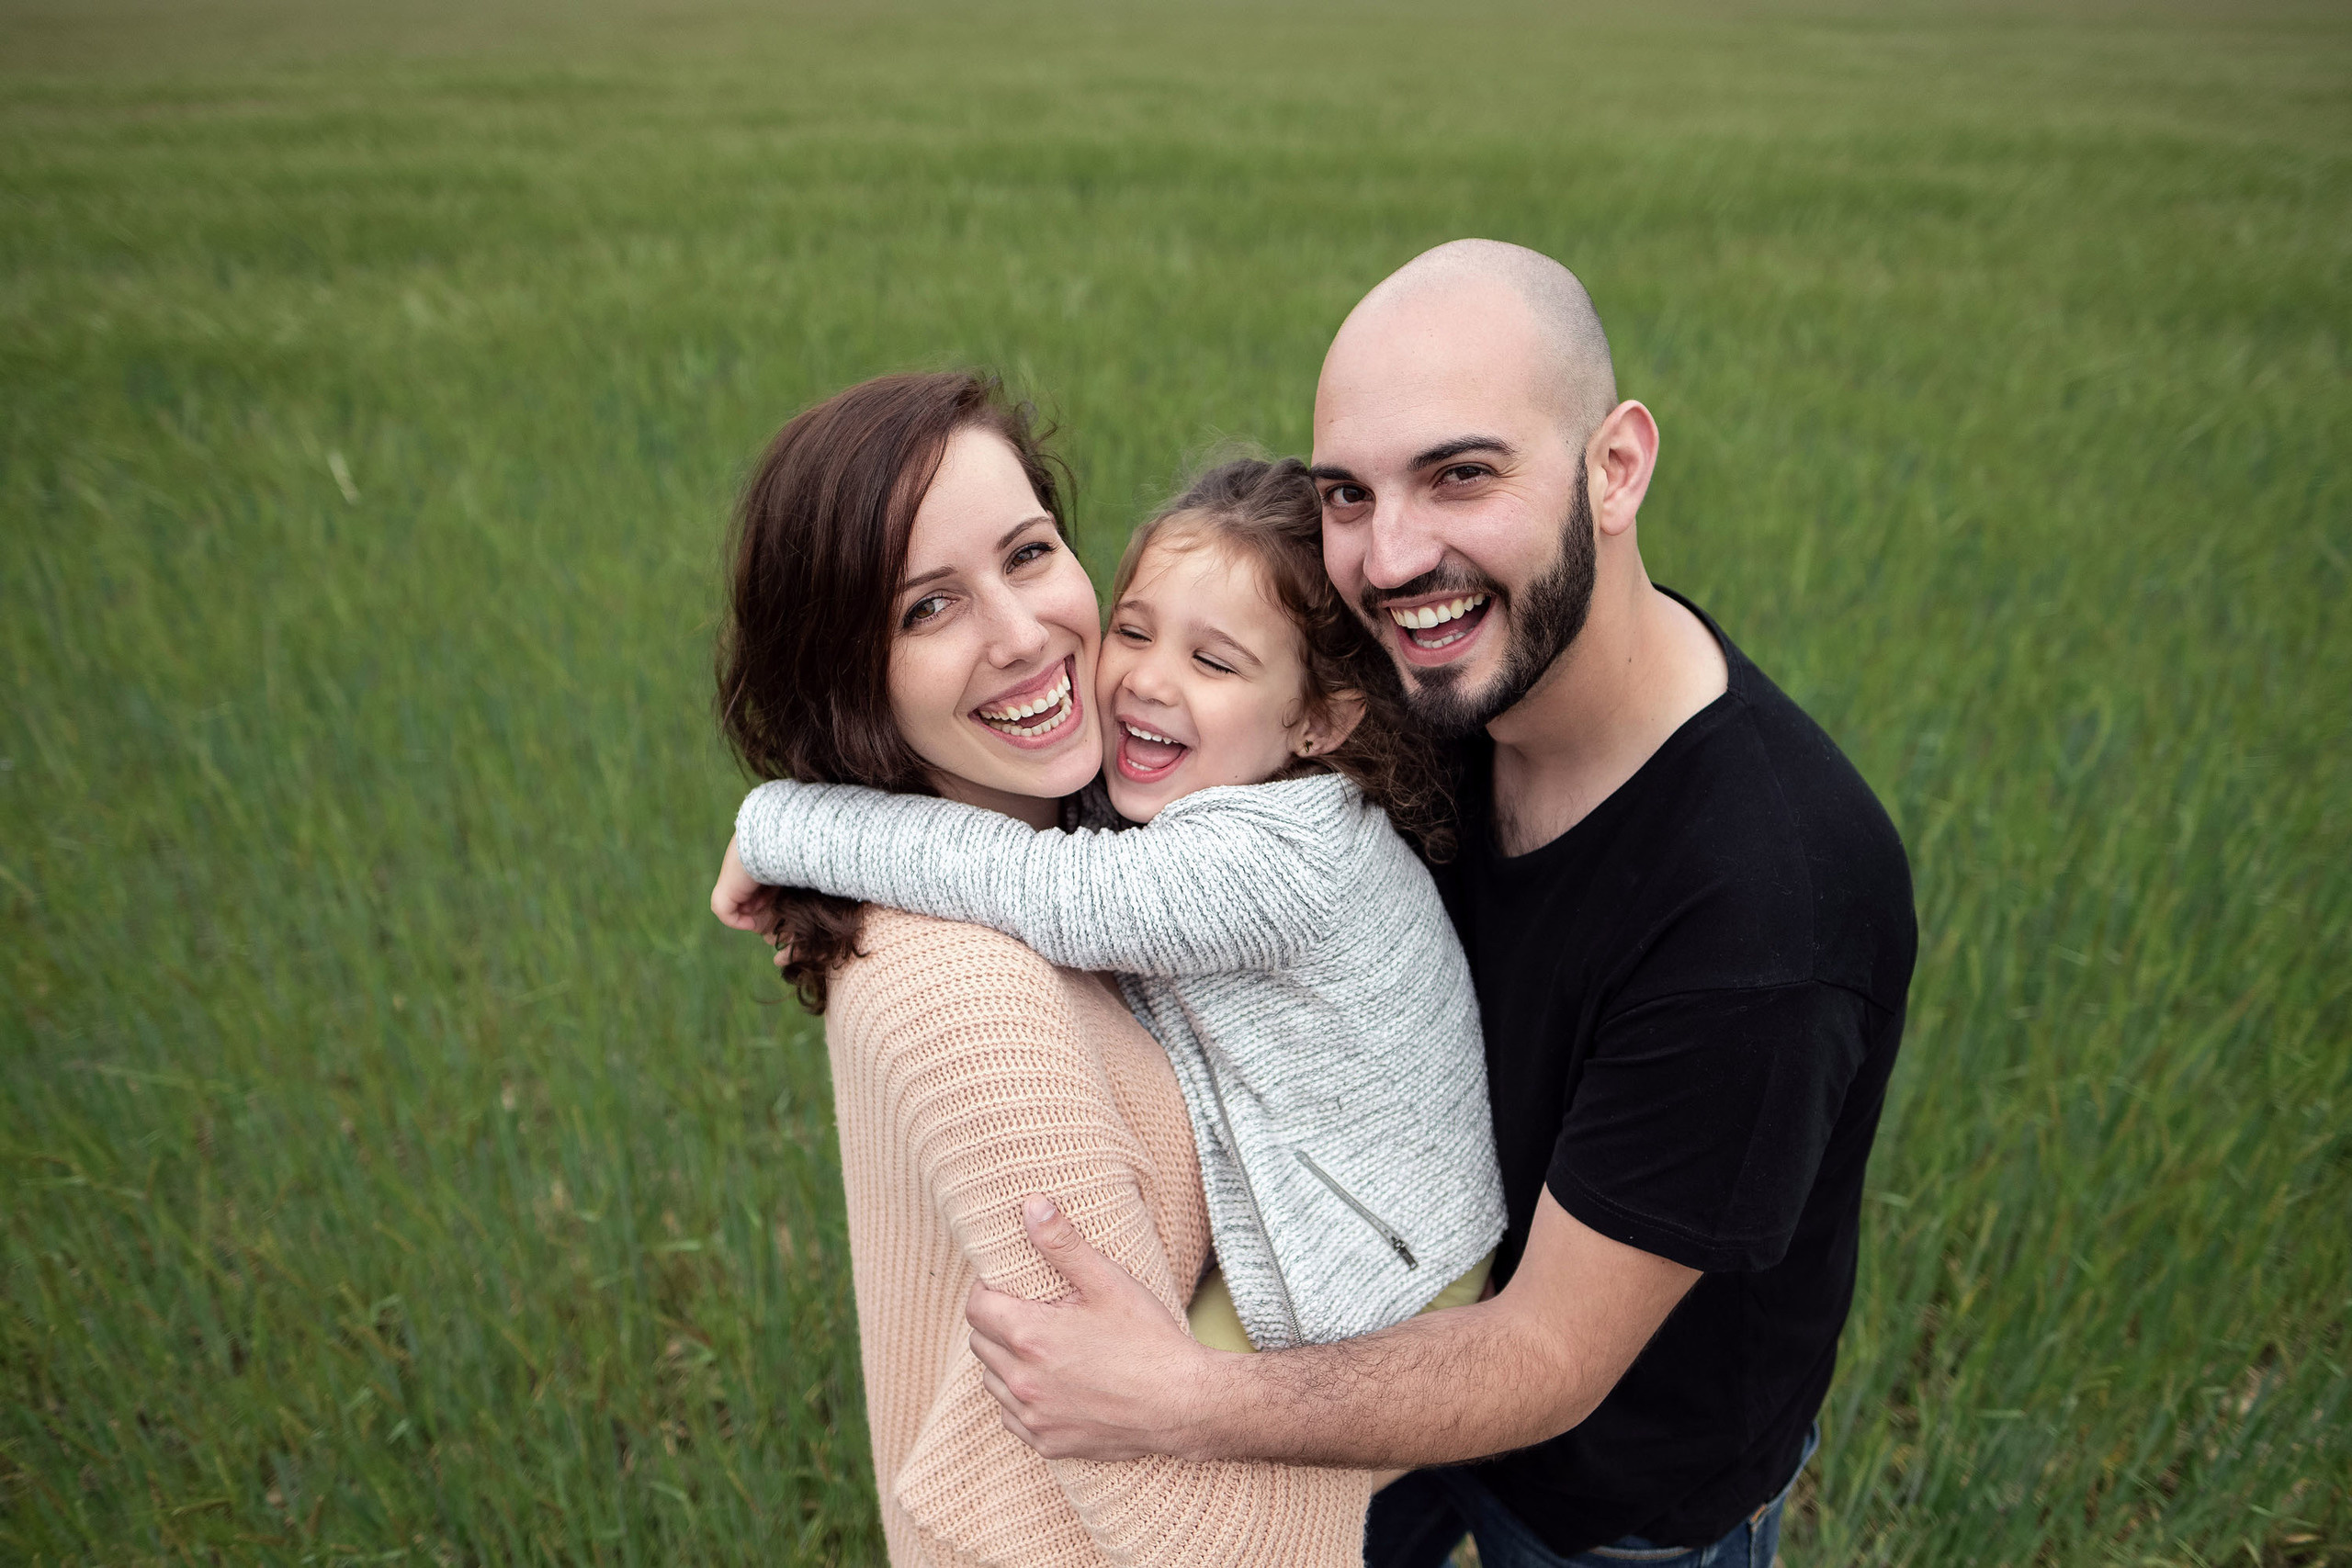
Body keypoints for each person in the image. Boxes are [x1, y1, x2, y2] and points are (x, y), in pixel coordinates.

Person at [956, 241, 1920, 1568]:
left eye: (1463, 473)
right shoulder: (1422, 687)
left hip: (1617, 1480)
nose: (1394, 556)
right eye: (1347, 493)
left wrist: (1181, 1395)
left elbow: (1547, 1353)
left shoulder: (1772, 901)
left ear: (1616, 465)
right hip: (1364, 1325)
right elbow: (1146, 812)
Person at [707, 371, 1369, 1566]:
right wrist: (1411, 1395)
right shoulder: (966, 990)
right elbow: (1184, 1515)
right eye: (927, 609)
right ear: (848, 678)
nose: (1022, 633)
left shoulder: (1085, 850)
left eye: (1028, 552)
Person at [711, 455, 1506, 1358]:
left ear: (1317, 722)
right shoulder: (1225, 794)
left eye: (1212, 660)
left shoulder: (1278, 858)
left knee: (1147, 1407)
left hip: (1389, 1274)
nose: (1147, 682)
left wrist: (788, 825)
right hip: (1370, 1226)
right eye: (1133, 631)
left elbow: (1052, 888)